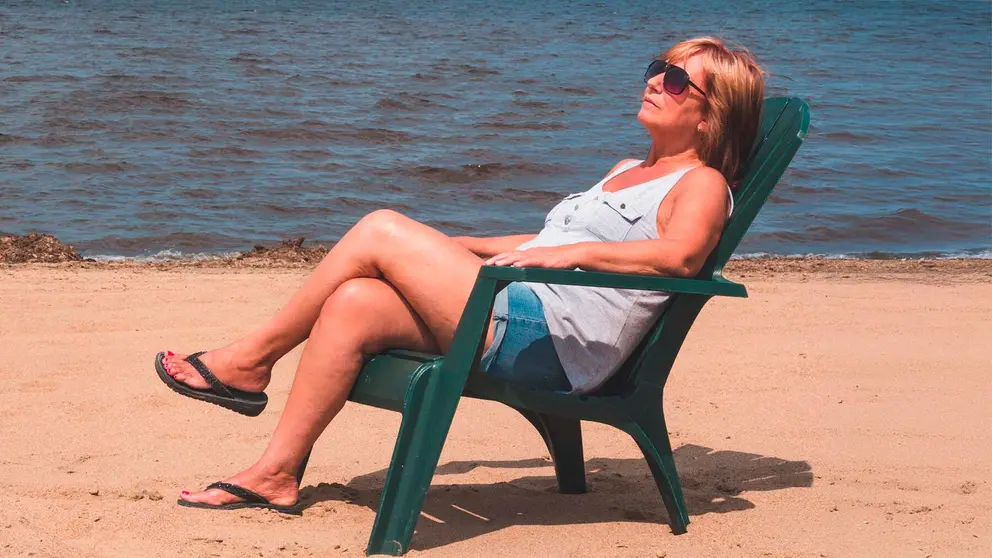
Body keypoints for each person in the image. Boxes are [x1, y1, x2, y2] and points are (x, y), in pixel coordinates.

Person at [156, 36, 765, 512]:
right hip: (515, 306)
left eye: (678, 79)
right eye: (659, 67)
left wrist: (570, 257)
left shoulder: (701, 183)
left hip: (553, 344)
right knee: (355, 299)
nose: (656, 80)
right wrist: (466, 244)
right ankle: (276, 474)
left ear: (711, 117)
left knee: (380, 226)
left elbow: (680, 258)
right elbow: (549, 241)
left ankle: (251, 360)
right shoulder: (627, 168)